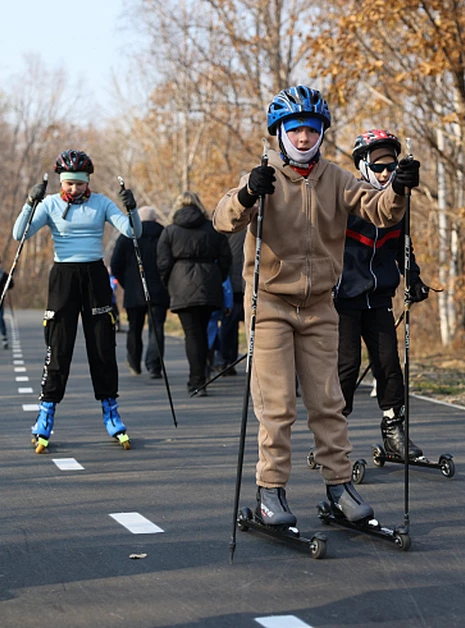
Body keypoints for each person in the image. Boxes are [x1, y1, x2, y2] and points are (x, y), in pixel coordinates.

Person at [213, 85, 420, 527]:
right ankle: (271, 491)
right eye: (294, 130)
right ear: (279, 133)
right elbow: (223, 218)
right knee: (278, 405)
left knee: (329, 401)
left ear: (322, 133)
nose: (303, 138)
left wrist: (398, 190)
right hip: (270, 304)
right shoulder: (265, 175)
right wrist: (248, 193)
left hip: (321, 305)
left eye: (311, 129)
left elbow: (380, 210)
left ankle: (340, 486)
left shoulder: (337, 178)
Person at [12, 149, 141, 454]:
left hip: (95, 275)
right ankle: (45, 414)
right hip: (63, 277)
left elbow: (133, 231)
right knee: (59, 346)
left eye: (79, 183)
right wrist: (30, 202)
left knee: (102, 346)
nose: (73, 188)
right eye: (69, 183)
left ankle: (111, 411)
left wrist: (132, 208)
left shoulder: (101, 204)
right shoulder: (51, 204)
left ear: (87, 182)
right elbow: (21, 234)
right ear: (61, 182)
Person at [335, 129, 432, 461]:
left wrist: (413, 279)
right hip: (343, 299)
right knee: (345, 368)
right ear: (362, 166)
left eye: (390, 166)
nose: (385, 173)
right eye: (378, 167)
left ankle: (394, 431)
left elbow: (404, 248)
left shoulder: (397, 205)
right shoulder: (347, 199)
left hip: (377, 298)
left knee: (390, 365)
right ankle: (333, 437)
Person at [157, 191, 231, 397]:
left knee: (192, 334)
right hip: (209, 281)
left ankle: (196, 379)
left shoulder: (170, 231)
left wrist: (170, 283)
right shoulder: (213, 229)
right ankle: (202, 375)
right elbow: (226, 258)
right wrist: (217, 277)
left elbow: (162, 262)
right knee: (205, 330)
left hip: (181, 284)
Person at [110, 206, 170, 379]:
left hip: (134, 291)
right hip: (159, 290)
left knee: (134, 328)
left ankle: (134, 363)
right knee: (156, 328)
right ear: (155, 219)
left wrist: (126, 284)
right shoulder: (164, 234)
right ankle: (154, 366)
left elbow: (116, 265)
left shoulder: (127, 236)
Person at [218, 230, 246, 375]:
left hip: (231, 285)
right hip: (250, 284)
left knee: (228, 325)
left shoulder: (227, 229)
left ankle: (225, 360)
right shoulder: (256, 226)